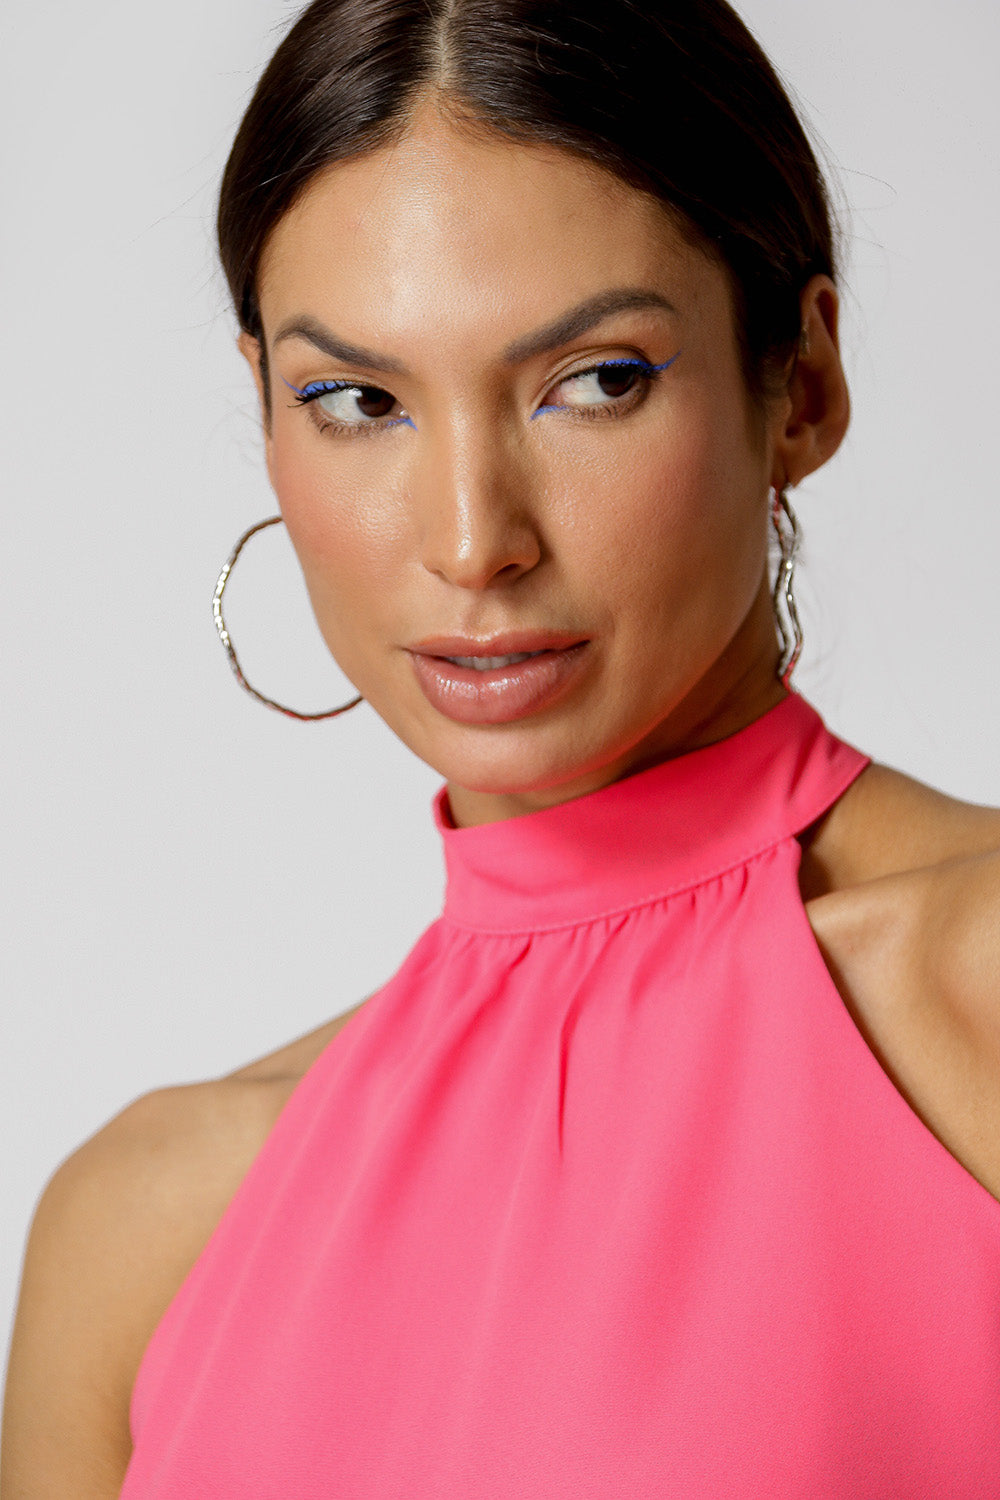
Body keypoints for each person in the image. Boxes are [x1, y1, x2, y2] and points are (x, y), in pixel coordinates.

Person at [4, 0, 1000, 1493]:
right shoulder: (139, 1230)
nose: (475, 541)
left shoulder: (974, 998)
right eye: (358, 402)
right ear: (263, 407)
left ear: (800, 383)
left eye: (597, 380)